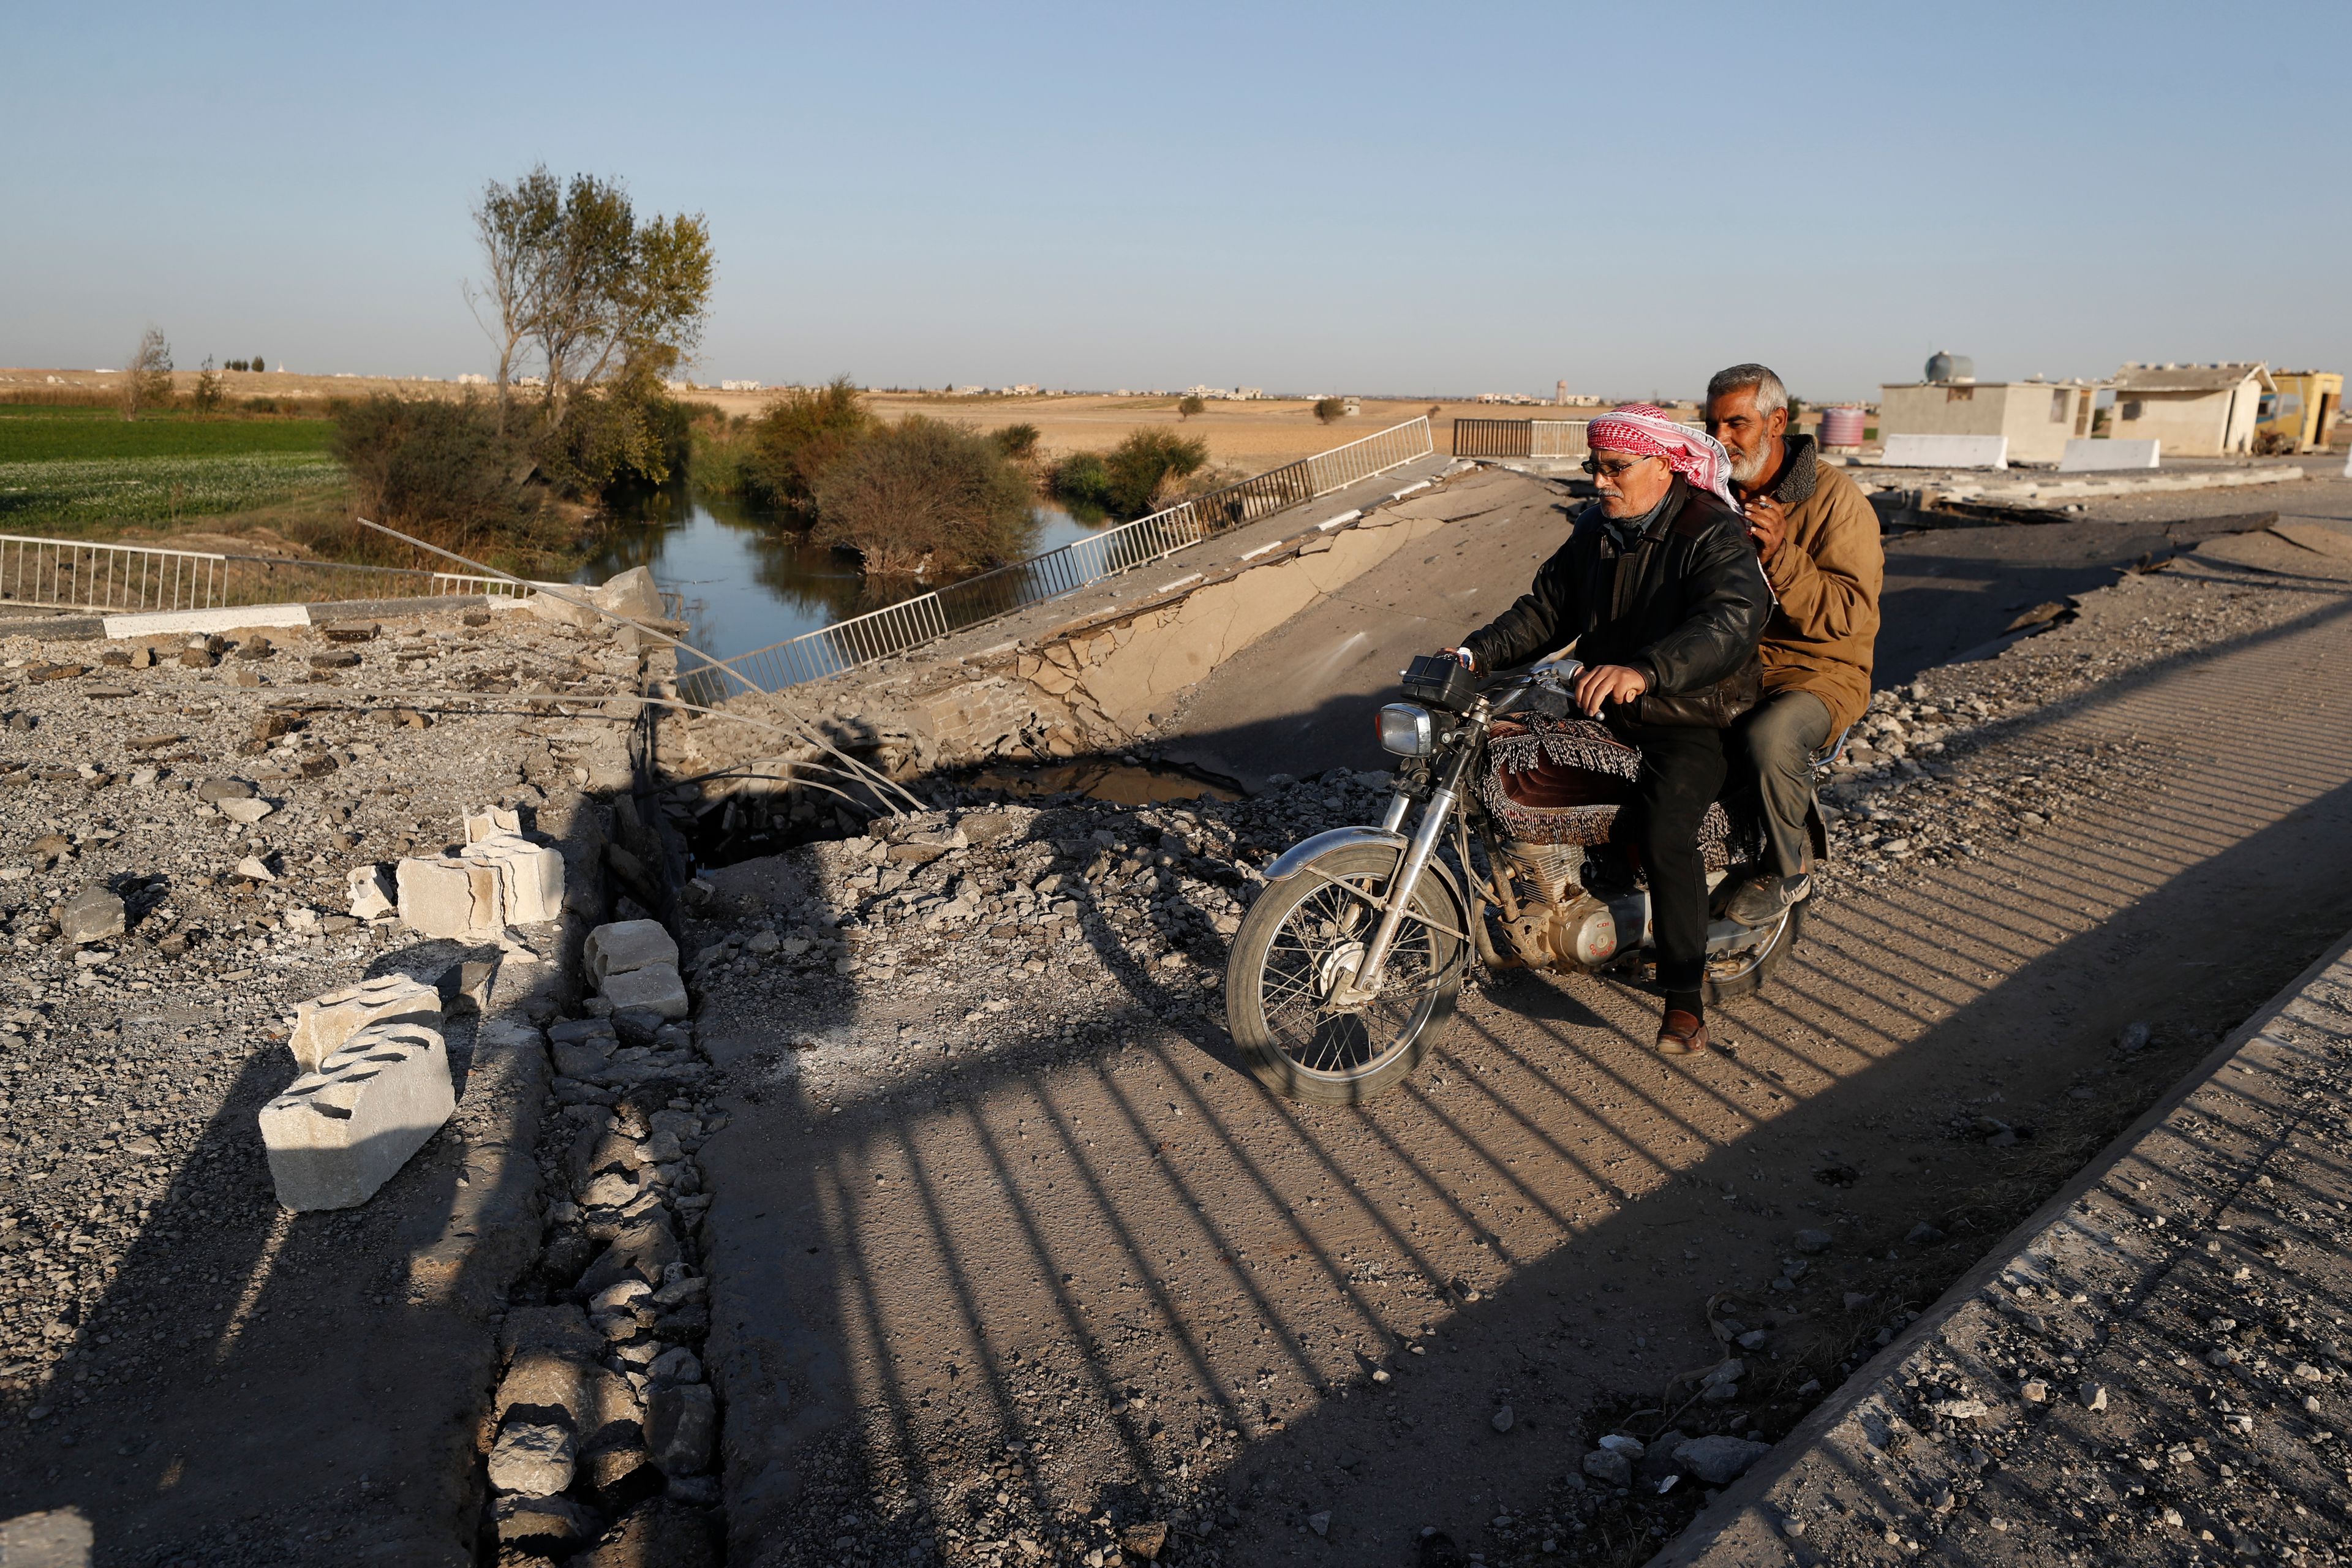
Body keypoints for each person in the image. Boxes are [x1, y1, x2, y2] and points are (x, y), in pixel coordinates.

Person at [1452, 404, 1770, 1055]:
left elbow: (1732, 620)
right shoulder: (1598, 529)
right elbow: (1545, 611)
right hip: (1607, 705)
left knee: (1665, 828)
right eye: (1595, 468)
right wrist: (1472, 656)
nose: (1601, 481)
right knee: (1516, 764)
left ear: (1662, 466)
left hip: (1692, 717)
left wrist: (1648, 671)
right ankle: (1578, 900)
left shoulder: (1712, 531)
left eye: (1615, 467)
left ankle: (1685, 996)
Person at [1701, 364, 1884, 927]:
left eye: (1738, 424)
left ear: (1777, 422)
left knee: (1770, 733)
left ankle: (1786, 870)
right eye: (1713, 425)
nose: (1723, 439)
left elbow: (1850, 616)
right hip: (1734, 664)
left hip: (1819, 672)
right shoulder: (1714, 492)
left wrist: (1781, 556)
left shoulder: (1837, 502)